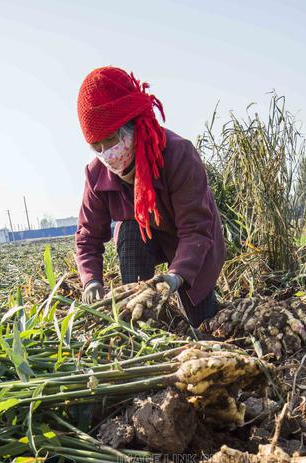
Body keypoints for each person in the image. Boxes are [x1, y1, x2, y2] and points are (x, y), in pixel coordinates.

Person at [75, 66, 225, 327]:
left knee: (202, 323)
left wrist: (176, 276)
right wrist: (91, 280)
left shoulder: (178, 155)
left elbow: (196, 229)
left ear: (134, 126)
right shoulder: (97, 173)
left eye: (111, 140)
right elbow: (88, 237)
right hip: (142, 242)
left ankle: (198, 308)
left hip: (189, 243)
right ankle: (141, 315)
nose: (106, 153)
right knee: (129, 229)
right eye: (96, 146)